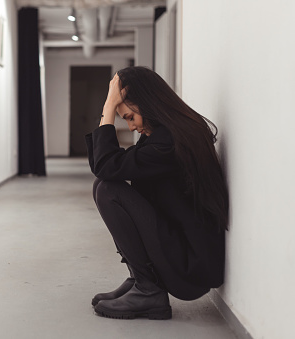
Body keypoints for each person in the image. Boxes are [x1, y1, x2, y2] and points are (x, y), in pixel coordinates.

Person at [86, 66, 229, 320]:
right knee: (104, 185)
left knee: (108, 188)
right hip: (184, 249)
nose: (130, 127)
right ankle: (141, 279)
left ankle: (148, 289)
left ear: (146, 103)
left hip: (191, 267)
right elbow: (108, 166)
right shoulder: (167, 134)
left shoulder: (169, 142)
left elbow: (106, 167)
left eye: (130, 116)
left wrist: (109, 106)